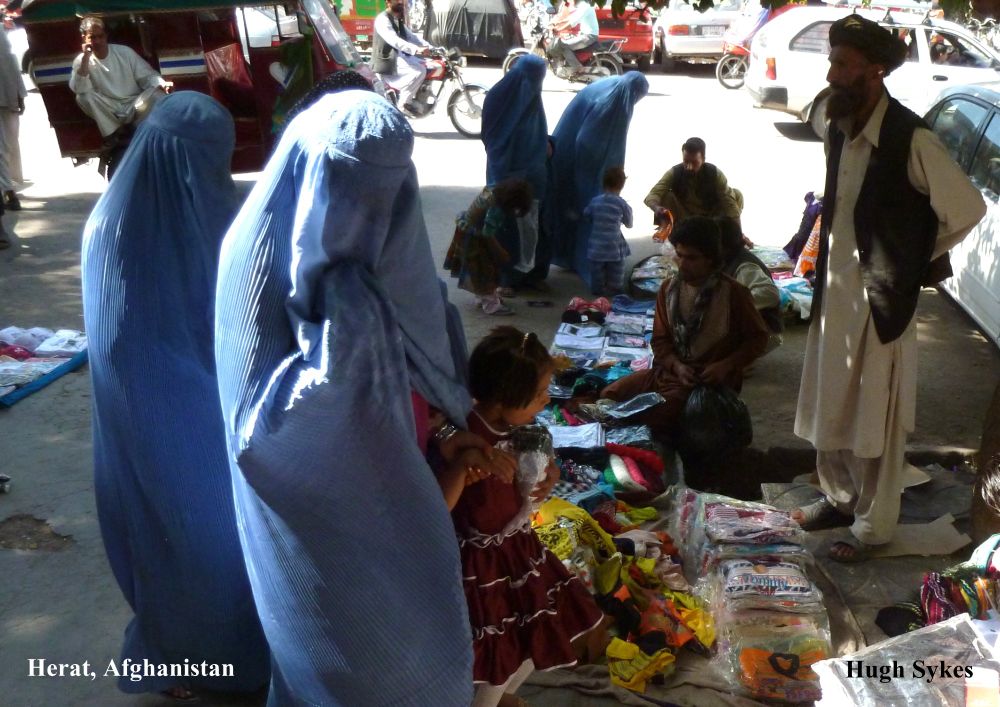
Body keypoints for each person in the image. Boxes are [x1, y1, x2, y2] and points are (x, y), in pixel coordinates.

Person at [215, 90, 511, 705]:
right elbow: (259, 438)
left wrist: (449, 436)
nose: (362, 219)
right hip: (311, 524)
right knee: (333, 654)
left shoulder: (387, 274)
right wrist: (343, 356)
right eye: (343, 191)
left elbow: (419, 366)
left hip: (410, 512)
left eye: (385, 197)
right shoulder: (254, 262)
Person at [81, 92, 270, 701]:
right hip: (156, 412)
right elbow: (130, 352)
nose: (211, 182)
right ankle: (193, 658)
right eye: (202, 166)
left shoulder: (195, 210)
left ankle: (195, 652)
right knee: (189, 534)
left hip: (203, 399)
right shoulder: (114, 233)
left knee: (205, 544)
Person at [792, 15, 986, 562]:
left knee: (875, 413)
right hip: (837, 293)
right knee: (830, 401)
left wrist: (914, 253)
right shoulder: (838, 121)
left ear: (876, 70)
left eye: (844, 65)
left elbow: (966, 208)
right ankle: (838, 497)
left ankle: (872, 528)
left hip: (881, 299)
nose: (833, 74)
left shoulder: (910, 135)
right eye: (832, 62)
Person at [440, 326, 605, 707]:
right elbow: (439, 506)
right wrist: (464, 469)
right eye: (539, 394)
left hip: (516, 548)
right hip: (481, 565)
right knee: (502, 646)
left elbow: (539, 461)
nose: (547, 401)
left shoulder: (514, 429)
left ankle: (500, 698)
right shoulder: (466, 439)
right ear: (504, 399)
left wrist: (548, 473)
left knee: (545, 626)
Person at [601, 217, 769, 442]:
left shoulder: (734, 293)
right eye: (679, 255)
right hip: (670, 373)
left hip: (707, 382)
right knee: (609, 395)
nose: (682, 263)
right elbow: (660, 341)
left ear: (710, 259)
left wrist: (726, 365)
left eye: (691, 258)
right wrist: (676, 365)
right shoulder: (668, 289)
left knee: (653, 414)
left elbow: (757, 339)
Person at [546, 72, 648, 290]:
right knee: (584, 209)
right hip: (586, 163)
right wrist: (602, 172)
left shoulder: (608, 86)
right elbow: (592, 141)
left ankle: (571, 257)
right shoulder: (617, 100)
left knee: (572, 206)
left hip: (567, 150)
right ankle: (589, 270)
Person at [481, 54, 549, 292]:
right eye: (534, 79)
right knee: (506, 227)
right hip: (508, 176)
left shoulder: (531, 99)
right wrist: (502, 183)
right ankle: (506, 278)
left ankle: (531, 274)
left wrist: (545, 145)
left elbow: (537, 131)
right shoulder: (501, 98)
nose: (536, 85)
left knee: (533, 226)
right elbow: (495, 142)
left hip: (533, 173)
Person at [69, 17, 172, 142]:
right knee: (83, 97)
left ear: (106, 36)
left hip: (135, 103)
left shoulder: (124, 52)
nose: (97, 41)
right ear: (84, 38)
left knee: (158, 96)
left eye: (100, 36)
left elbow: (147, 76)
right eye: (92, 38)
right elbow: (79, 89)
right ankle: (114, 134)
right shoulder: (81, 61)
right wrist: (86, 58)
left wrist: (162, 83)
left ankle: (139, 130)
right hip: (109, 108)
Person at [444, 178, 534, 315]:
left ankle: (481, 296)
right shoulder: (496, 210)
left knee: (477, 269)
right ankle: (491, 304)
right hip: (475, 238)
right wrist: (500, 251)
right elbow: (487, 234)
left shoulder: (492, 190)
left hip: (466, 231)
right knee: (486, 270)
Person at [717, 217, 782, 352]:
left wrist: (727, 305)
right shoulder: (726, 260)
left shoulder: (745, 266)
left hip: (764, 330)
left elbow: (770, 294)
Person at [644, 137, 743, 225]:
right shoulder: (674, 172)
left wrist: (738, 235)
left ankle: (726, 238)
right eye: (686, 161)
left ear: (703, 159)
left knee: (736, 194)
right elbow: (653, 194)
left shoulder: (715, 174)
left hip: (711, 218)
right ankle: (671, 238)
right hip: (685, 219)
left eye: (694, 162)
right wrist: (656, 208)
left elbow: (729, 204)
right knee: (666, 197)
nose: (689, 167)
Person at [371, 0, 433, 114]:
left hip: (399, 57)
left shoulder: (397, 19)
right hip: (387, 60)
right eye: (397, 0)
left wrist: (431, 47)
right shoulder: (382, 20)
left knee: (429, 65)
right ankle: (404, 105)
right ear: (388, 2)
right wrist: (415, 49)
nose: (400, 2)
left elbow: (412, 37)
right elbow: (394, 40)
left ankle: (419, 98)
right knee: (418, 71)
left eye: (401, 0)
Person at [583, 166, 632, 296]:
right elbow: (629, 224)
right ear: (621, 185)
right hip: (614, 247)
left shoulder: (595, 201)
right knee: (617, 269)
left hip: (596, 247)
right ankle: (615, 288)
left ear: (603, 183)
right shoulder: (622, 204)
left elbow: (586, 215)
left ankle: (598, 290)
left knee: (596, 273)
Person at [0, 28, 25, 211]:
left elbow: (10, 61)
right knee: (6, 146)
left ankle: (8, 189)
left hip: (8, 96)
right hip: (9, 96)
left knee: (7, 145)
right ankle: (9, 188)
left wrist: (19, 94)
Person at [548, 0, 599, 78]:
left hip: (588, 36)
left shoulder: (586, 7)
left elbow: (572, 23)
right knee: (565, 39)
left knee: (564, 45)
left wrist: (559, 29)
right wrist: (556, 23)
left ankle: (579, 68)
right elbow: (570, 18)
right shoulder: (582, 6)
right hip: (583, 34)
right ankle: (567, 65)